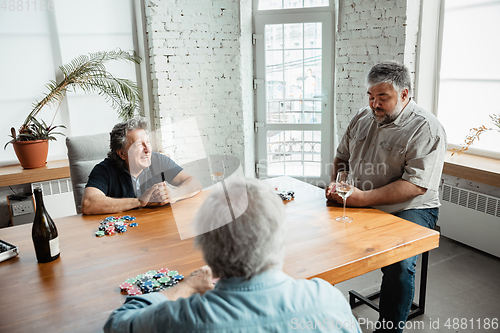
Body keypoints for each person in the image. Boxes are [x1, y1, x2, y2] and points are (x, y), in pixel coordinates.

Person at [104, 178, 362, 332]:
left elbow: (117, 324)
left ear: (207, 248)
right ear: (279, 236)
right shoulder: (329, 300)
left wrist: (184, 287)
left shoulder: (186, 319)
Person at [326, 61, 446, 332]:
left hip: (411, 207)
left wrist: (362, 198)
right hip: (362, 198)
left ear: (404, 95)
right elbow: (342, 157)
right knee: (321, 241)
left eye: (383, 97)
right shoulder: (362, 117)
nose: (374, 104)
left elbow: (415, 186)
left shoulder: (427, 128)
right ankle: (322, 315)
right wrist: (337, 184)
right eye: (370, 96)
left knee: (400, 265)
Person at [81, 118, 201, 215]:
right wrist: (139, 202)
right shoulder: (103, 170)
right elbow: (88, 203)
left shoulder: (158, 160)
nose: (147, 149)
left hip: (156, 229)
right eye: (139, 144)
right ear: (122, 153)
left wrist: (175, 194)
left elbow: (195, 183)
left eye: (148, 142)